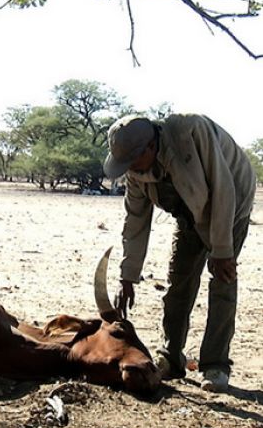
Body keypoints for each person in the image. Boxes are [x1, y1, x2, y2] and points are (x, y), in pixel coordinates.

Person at [103, 113, 256, 392]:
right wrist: (128, 276)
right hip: (191, 213)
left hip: (231, 203)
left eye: (133, 161)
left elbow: (223, 189)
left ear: (150, 147)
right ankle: (172, 358)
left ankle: (215, 365)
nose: (130, 170)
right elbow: (135, 221)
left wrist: (222, 250)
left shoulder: (191, 132)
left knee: (222, 280)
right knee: (179, 282)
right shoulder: (136, 174)